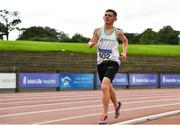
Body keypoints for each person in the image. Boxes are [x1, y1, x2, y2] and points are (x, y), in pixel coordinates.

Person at [88, 9, 128, 124]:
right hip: (101, 63)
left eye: (110, 16)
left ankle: (104, 115)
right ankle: (116, 105)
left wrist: (124, 53)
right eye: (105, 15)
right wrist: (91, 44)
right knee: (108, 87)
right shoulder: (97, 31)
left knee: (104, 86)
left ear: (115, 18)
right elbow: (90, 42)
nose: (107, 17)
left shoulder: (118, 33)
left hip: (113, 62)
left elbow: (125, 41)